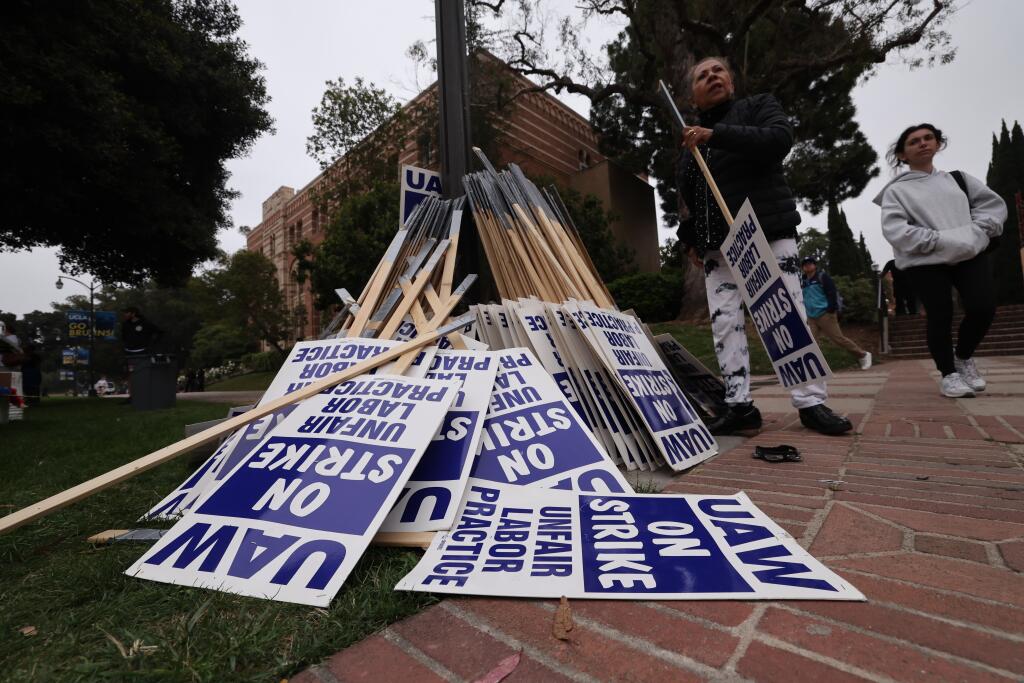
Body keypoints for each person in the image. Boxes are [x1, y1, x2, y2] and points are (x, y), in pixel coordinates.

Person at [676, 56, 852, 436]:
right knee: (725, 324)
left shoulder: (757, 107)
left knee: (784, 313)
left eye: (718, 71)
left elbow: (779, 141)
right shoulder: (690, 140)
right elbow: (691, 194)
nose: (712, 77)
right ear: (693, 94)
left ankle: (811, 402)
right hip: (717, 249)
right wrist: (688, 237)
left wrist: (716, 135)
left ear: (732, 82)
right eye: (702, 76)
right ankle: (739, 406)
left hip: (766, 232)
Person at [875, 123, 1006, 398]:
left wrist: (977, 232)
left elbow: (992, 207)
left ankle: (963, 356)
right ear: (902, 154)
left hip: (970, 251)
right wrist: (938, 240)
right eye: (914, 141)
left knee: (983, 307)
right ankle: (948, 374)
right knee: (940, 315)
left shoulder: (958, 179)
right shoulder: (896, 192)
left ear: (938, 144)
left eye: (928, 138)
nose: (923, 143)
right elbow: (896, 231)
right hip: (925, 260)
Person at [800, 257, 872, 370]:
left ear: (815, 265)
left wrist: (830, 310)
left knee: (838, 339)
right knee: (811, 343)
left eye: (810, 263)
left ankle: (863, 354)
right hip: (811, 317)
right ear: (802, 268)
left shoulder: (822, 277)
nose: (807, 266)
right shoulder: (803, 281)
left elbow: (832, 293)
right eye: (805, 264)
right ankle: (814, 368)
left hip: (825, 314)